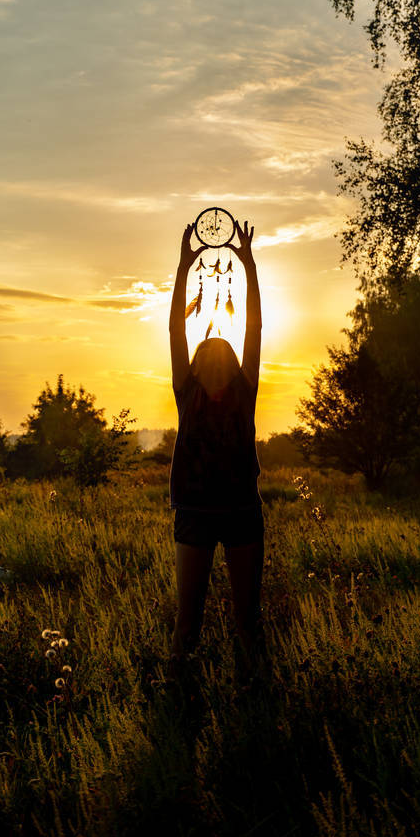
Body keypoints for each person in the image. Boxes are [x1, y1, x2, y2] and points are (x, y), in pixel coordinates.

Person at [168, 220, 265, 684]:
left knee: (247, 620)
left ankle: (253, 699)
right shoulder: (186, 392)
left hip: (240, 511)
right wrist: (185, 267)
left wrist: (247, 264)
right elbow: (175, 328)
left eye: (215, 351)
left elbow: (254, 326)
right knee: (189, 623)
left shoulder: (244, 391)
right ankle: (178, 693)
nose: (212, 355)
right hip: (197, 512)